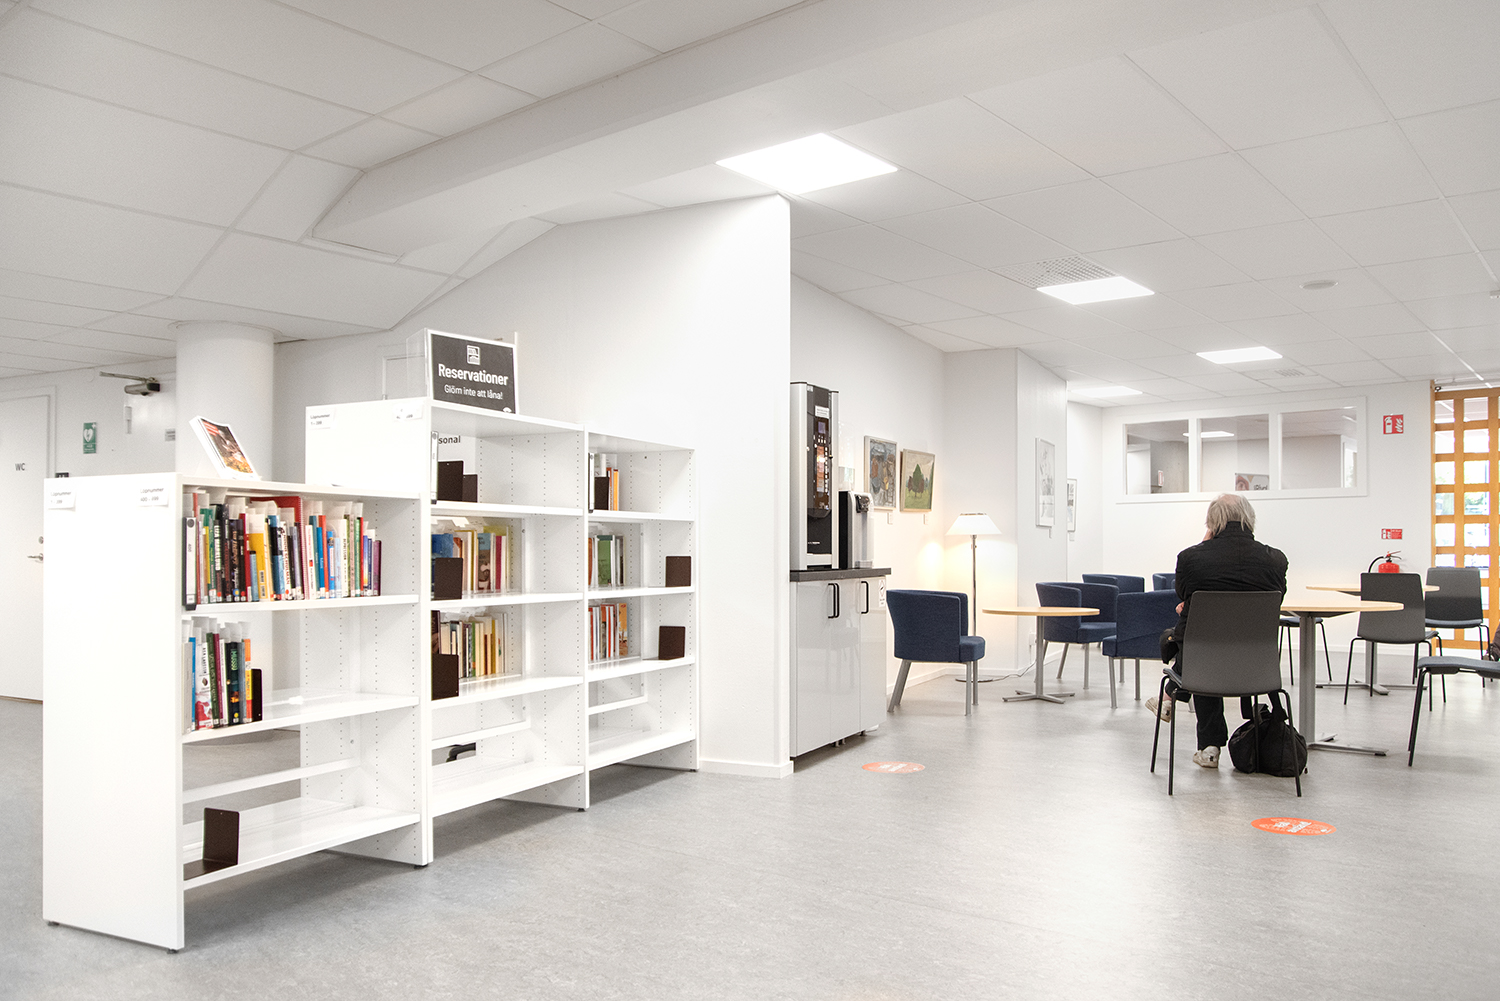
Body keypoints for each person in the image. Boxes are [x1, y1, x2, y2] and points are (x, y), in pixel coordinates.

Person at [1145, 493, 1287, 769]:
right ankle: (1171, 699)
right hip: (1258, 666)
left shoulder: (1191, 558)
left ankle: (1206, 744)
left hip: (1205, 663)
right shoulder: (1275, 560)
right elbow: (1276, 601)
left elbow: (1184, 595)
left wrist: (1206, 543)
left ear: (1212, 522)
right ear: (1249, 519)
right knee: (1207, 640)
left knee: (1202, 642)